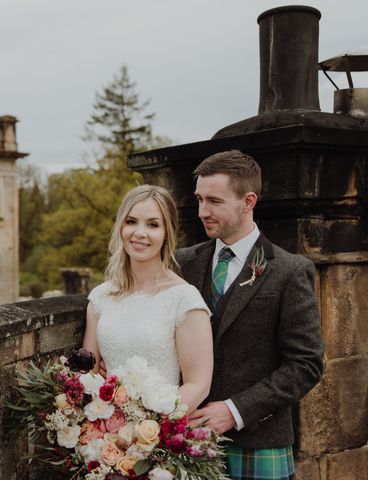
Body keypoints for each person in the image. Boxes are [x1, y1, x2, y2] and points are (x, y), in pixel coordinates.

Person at [177, 150, 324, 480]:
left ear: (248, 201)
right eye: (199, 199)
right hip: (184, 439)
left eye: (214, 201)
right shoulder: (181, 263)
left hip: (259, 441)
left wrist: (236, 410)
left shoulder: (289, 270)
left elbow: (306, 363)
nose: (203, 211)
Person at [83, 185, 213, 413]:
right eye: (131, 221)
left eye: (152, 225)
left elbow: (198, 384)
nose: (139, 233)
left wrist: (148, 429)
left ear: (167, 233)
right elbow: (88, 373)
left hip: (156, 435)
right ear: (121, 226)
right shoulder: (101, 297)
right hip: (105, 436)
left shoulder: (184, 299)